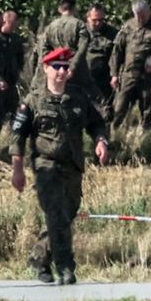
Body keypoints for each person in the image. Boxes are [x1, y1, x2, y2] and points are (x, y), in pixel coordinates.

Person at [10, 47, 110, 285]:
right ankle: (65, 268)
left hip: (73, 166)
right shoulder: (33, 101)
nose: (62, 72)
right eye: (57, 67)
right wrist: (17, 169)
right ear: (46, 68)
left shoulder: (78, 97)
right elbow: (17, 137)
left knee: (67, 214)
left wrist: (101, 141)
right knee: (56, 216)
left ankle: (38, 257)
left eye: (66, 67)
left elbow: (96, 123)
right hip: (46, 167)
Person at [110, 0, 151, 130]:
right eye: (138, 16)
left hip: (148, 77)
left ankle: (147, 137)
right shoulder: (128, 26)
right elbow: (117, 51)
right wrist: (114, 74)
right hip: (128, 76)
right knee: (120, 106)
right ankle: (114, 134)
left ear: (149, 12)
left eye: (143, 16)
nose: (141, 19)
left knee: (148, 107)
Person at [79, 2, 117, 119]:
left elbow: (117, 55)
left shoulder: (112, 33)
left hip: (104, 80)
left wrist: (115, 75)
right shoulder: (80, 32)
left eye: (101, 20)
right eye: (94, 20)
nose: (98, 23)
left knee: (105, 112)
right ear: (88, 17)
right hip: (83, 79)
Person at [33, 0, 87, 73]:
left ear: (60, 9)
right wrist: (72, 66)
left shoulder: (51, 26)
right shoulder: (79, 24)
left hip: (56, 67)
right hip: (76, 71)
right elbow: (82, 48)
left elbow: (44, 46)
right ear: (74, 9)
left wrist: (50, 63)